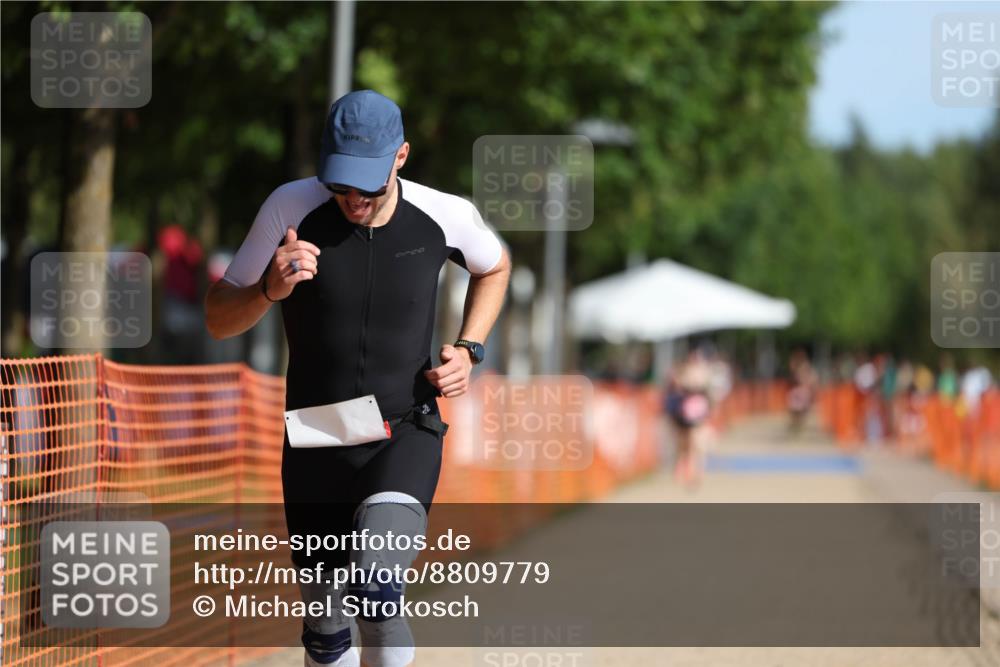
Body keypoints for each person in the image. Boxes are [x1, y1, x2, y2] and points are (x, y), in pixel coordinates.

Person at [204, 90, 511, 667]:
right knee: (325, 631)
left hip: (404, 430)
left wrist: (470, 348)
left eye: (367, 183)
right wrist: (268, 289)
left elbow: (494, 267)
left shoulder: (443, 214)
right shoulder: (289, 207)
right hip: (316, 435)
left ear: (401, 157)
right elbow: (218, 318)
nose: (352, 198)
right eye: (340, 182)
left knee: (376, 585)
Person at [663, 346, 713, 486]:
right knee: (683, 443)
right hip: (684, 412)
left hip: (695, 412)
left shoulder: (702, 373)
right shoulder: (683, 372)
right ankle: (683, 469)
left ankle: (694, 471)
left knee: (695, 443)